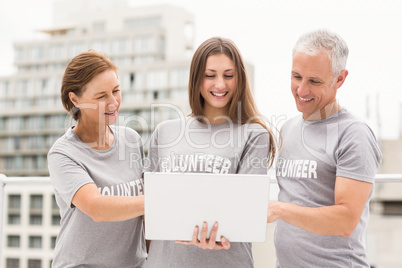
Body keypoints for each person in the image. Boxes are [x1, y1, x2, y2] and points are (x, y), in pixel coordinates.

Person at [144, 37, 276, 267]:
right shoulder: (165, 132)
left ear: (240, 79)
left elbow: (247, 212)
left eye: (228, 75)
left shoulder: (254, 135)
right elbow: (148, 210)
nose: (220, 84)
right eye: (210, 75)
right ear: (196, 78)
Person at [268, 29, 382, 267]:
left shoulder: (354, 134)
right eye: (296, 76)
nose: (301, 90)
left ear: (340, 79)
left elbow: (346, 220)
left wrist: (280, 210)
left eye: (314, 81)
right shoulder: (288, 129)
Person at [47, 50, 146, 267]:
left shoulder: (131, 140)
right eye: (101, 96)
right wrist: (157, 202)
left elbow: (145, 218)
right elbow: (97, 208)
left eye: (116, 91)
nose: (113, 102)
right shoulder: (63, 153)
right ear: (75, 99)